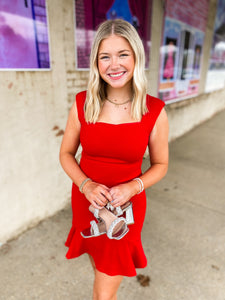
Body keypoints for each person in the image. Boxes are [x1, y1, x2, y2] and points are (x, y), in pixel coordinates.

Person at [60, 19, 169, 300]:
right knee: (99, 270)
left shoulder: (154, 110)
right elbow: (66, 154)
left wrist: (133, 186)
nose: (114, 64)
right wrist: (85, 185)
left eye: (123, 54)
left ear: (136, 57)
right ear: (96, 62)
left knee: (104, 294)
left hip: (126, 213)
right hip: (87, 203)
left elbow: (161, 165)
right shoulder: (83, 103)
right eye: (105, 56)